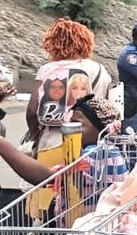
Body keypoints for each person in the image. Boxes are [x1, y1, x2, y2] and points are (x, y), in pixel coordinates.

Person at [0, 95, 127, 203]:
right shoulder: (102, 149)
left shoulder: (100, 154)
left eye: (78, 124)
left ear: (102, 130)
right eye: (70, 123)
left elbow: (47, 178)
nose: (69, 129)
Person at [28, 18, 112, 153]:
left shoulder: (47, 70)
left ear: (53, 43)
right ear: (86, 42)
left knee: (51, 174)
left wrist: (35, 136)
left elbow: (32, 112)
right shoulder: (100, 70)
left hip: (52, 143)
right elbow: (107, 110)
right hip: (91, 145)